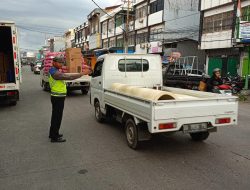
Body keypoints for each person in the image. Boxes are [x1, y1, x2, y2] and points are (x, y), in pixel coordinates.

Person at [49, 56, 83, 143]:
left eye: (62, 63)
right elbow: (69, 77)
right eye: (60, 63)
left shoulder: (55, 70)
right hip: (57, 97)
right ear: (54, 62)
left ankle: (53, 133)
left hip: (58, 96)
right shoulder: (54, 72)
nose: (61, 64)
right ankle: (54, 137)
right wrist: (81, 74)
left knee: (55, 116)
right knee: (57, 117)